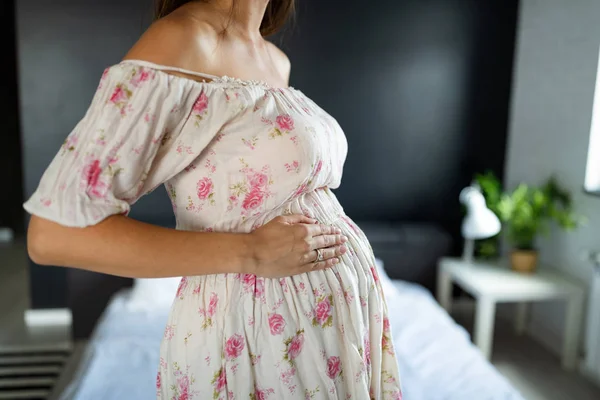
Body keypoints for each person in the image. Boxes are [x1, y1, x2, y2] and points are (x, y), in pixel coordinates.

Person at [24, 0, 402, 398]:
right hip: (253, 335)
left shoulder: (275, 61)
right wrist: (250, 252)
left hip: (335, 330)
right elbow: (52, 236)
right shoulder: (183, 41)